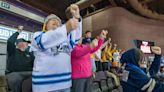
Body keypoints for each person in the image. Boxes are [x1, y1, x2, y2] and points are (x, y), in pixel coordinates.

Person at [30, 4, 82, 92]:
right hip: (45, 86)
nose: (56, 22)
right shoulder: (38, 36)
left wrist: (76, 17)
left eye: (58, 22)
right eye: (52, 20)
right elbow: (46, 40)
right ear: (45, 26)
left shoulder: (65, 38)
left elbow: (76, 37)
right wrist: (65, 28)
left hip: (65, 84)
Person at [6, 25, 34, 92]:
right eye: (24, 43)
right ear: (18, 44)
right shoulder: (12, 51)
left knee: (40, 76)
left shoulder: (30, 53)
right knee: (14, 78)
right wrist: (18, 31)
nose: (26, 44)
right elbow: (10, 41)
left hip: (29, 72)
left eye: (26, 43)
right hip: (15, 73)